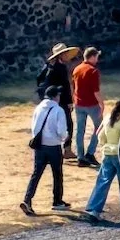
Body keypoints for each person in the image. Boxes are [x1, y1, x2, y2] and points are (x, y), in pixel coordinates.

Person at [20, 86, 71, 216]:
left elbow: (34, 127)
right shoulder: (58, 110)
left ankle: (27, 200)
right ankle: (57, 201)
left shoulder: (38, 108)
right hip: (53, 145)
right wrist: (64, 137)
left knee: (36, 174)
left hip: (40, 146)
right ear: (55, 96)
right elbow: (61, 131)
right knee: (57, 174)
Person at [82, 98, 120, 221]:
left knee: (103, 182)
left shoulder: (107, 118)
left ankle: (94, 209)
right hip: (119, 155)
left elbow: (100, 135)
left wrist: (105, 145)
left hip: (107, 153)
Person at [71, 48, 103, 167]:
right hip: (91, 104)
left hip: (79, 103)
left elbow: (74, 87)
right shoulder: (93, 71)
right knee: (99, 127)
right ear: (93, 57)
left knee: (80, 130)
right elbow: (96, 91)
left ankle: (80, 156)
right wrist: (102, 104)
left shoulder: (77, 69)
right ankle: (90, 152)